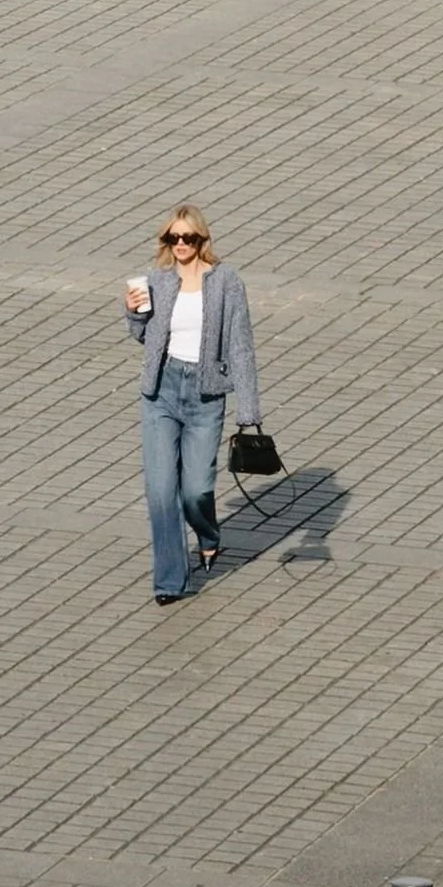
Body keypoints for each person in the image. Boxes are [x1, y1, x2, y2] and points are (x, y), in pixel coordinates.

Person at [124, 204, 262, 605]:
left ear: (203, 239)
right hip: (162, 391)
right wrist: (132, 313)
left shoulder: (226, 282)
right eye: (173, 238)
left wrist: (249, 409)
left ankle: (208, 534)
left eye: (188, 238)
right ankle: (170, 581)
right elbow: (144, 336)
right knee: (160, 490)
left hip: (205, 395)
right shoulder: (157, 279)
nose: (180, 245)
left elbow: (240, 345)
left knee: (197, 490)